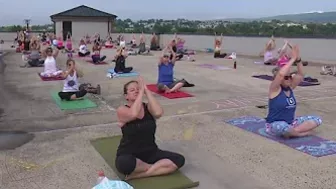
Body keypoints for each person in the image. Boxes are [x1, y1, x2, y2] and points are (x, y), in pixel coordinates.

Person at [115, 77, 185, 180]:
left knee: (179, 160)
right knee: (125, 164)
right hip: (129, 154)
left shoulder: (148, 108)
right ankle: (156, 168)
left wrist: (147, 91)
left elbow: (158, 113)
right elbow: (133, 114)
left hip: (151, 152)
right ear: (126, 96)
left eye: (138, 89)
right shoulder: (122, 110)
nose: (136, 91)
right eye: (132, 90)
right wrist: (140, 93)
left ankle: (142, 174)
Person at [265, 45, 322, 138]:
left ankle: (293, 132)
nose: (289, 79)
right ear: (279, 80)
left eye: (290, 76)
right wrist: (292, 59)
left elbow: (300, 74)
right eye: (286, 77)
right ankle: (300, 134)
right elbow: (280, 74)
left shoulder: (290, 87)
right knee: (283, 127)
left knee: (317, 119)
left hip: (291, 123)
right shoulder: (275, 89)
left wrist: (298, 59)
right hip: (274, 124)